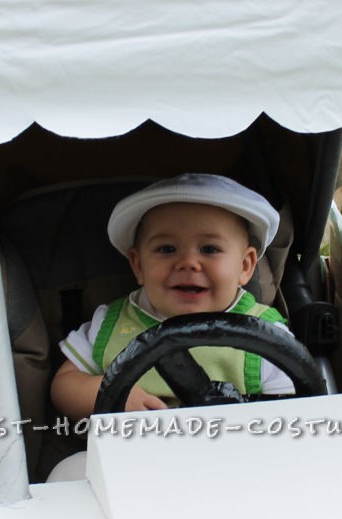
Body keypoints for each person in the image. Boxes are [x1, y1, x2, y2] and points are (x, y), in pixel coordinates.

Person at [50, 173, 295, 421]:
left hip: (233, 453)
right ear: (138, 266)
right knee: (70, 463)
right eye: (166, 249)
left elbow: (294, 411)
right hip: (126, 453)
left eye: (209, 249)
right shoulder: (111, 324)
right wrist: (108, 392)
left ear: (244, 266)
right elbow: (64, 386)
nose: (188, 263)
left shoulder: (266, 337)